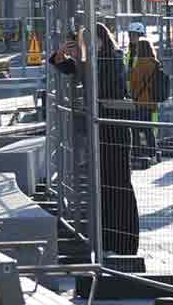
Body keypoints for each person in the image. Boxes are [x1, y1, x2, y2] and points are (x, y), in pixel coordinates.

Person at [50, 23, 139, 260]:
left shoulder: (113, 59)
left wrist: (83, 61)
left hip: (115, 130)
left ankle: (125, 243)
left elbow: (106, 87)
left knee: (118, 185)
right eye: (82, 43)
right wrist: (63, 53)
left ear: (102, 41)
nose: (85, 47)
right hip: (99, 132)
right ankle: (108, 241)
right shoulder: (90, 63)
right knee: (104, 187)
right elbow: (62, 65)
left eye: (90, 42)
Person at [128, 36, 161, 163]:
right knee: (148, 129)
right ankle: (153, 153)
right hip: (152, 101)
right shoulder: (155, 63)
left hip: (140, 101)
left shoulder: (139, 65)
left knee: (135, 128)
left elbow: (133, 84)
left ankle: (137, 153)